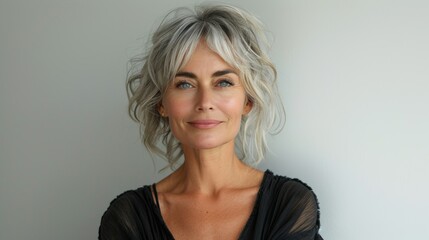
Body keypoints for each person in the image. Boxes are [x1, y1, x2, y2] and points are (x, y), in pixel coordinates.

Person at [99, 4, 323, 240]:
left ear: (247, 101)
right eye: (185, 84)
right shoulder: (128, 219)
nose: (205, 102)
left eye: (223, 82)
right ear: (161, 103)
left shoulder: (289, 205)